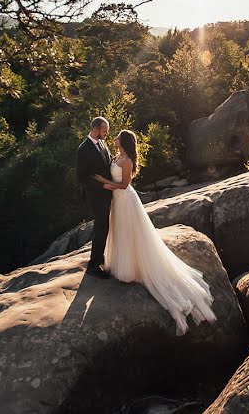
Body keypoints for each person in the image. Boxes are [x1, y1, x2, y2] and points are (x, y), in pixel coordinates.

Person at [93, 129, 217, 335]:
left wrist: (105, 184)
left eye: (117, 137)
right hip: (118, 201)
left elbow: (124, 185)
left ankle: (131, 268)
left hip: (125, 200)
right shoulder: (117, 156)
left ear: (123, 141)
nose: (113, 139)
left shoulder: (127, 161)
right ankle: (122, 262)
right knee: (120, 231)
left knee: (130, 233)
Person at [76, 117, 113, 278]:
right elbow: (82, 178)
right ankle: (93, 266)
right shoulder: (83, 149)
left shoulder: (102, 143)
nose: (107, 133)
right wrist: (103, 185)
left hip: (108, 193)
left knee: (106, 227)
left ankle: (100, 257)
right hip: (96, 195)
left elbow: (108, 164)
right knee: (101, 228)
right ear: (96, 129)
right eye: (105, 130)